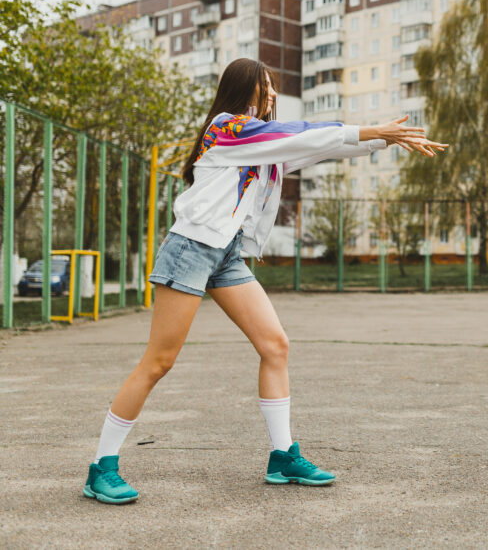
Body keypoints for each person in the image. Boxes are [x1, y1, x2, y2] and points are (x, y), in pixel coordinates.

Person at [83, 58, 447, 504]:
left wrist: (383, 141)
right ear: (245, 87)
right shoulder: (226, 128)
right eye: (266, 84)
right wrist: (370, 129)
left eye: (273, 85)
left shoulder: (263, 146)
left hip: (227, 254)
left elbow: (314, 146)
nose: (272, 92)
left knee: (275, 345)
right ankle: (101, 467)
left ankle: (282, 456)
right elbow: (299, 133)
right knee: (159, 362)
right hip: (192, 247)